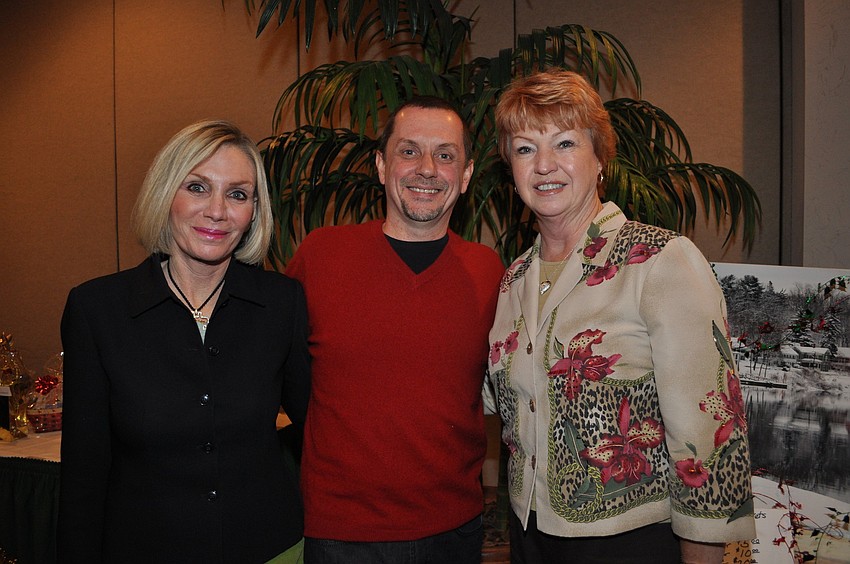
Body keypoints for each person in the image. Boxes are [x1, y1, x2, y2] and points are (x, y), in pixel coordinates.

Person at [485, 69, 755, 564]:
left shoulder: (659, 260)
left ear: (600, 158)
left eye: (565, 143)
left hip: (632, 544)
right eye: (525, 149)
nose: (544, 165)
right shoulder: (513, 279)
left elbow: (708, 432)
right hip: (528, 538)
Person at [58, 120, 311, 563]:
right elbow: (84, 471)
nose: (217, 211)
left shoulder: (282, 303)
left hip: (271, 548)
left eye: (238, 194)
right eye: (197, 187)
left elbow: (320, 434)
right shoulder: (97, 310)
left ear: (254, 211)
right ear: (165, 194)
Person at [285, 96, 505, 563]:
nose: (427, 168)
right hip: (340, 535)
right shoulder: (320, 257)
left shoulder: (490, 272)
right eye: (409, 151)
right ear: (382, 166)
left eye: (445, 155)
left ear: (466, 175)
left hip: (454, 531)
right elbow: (288, 379)